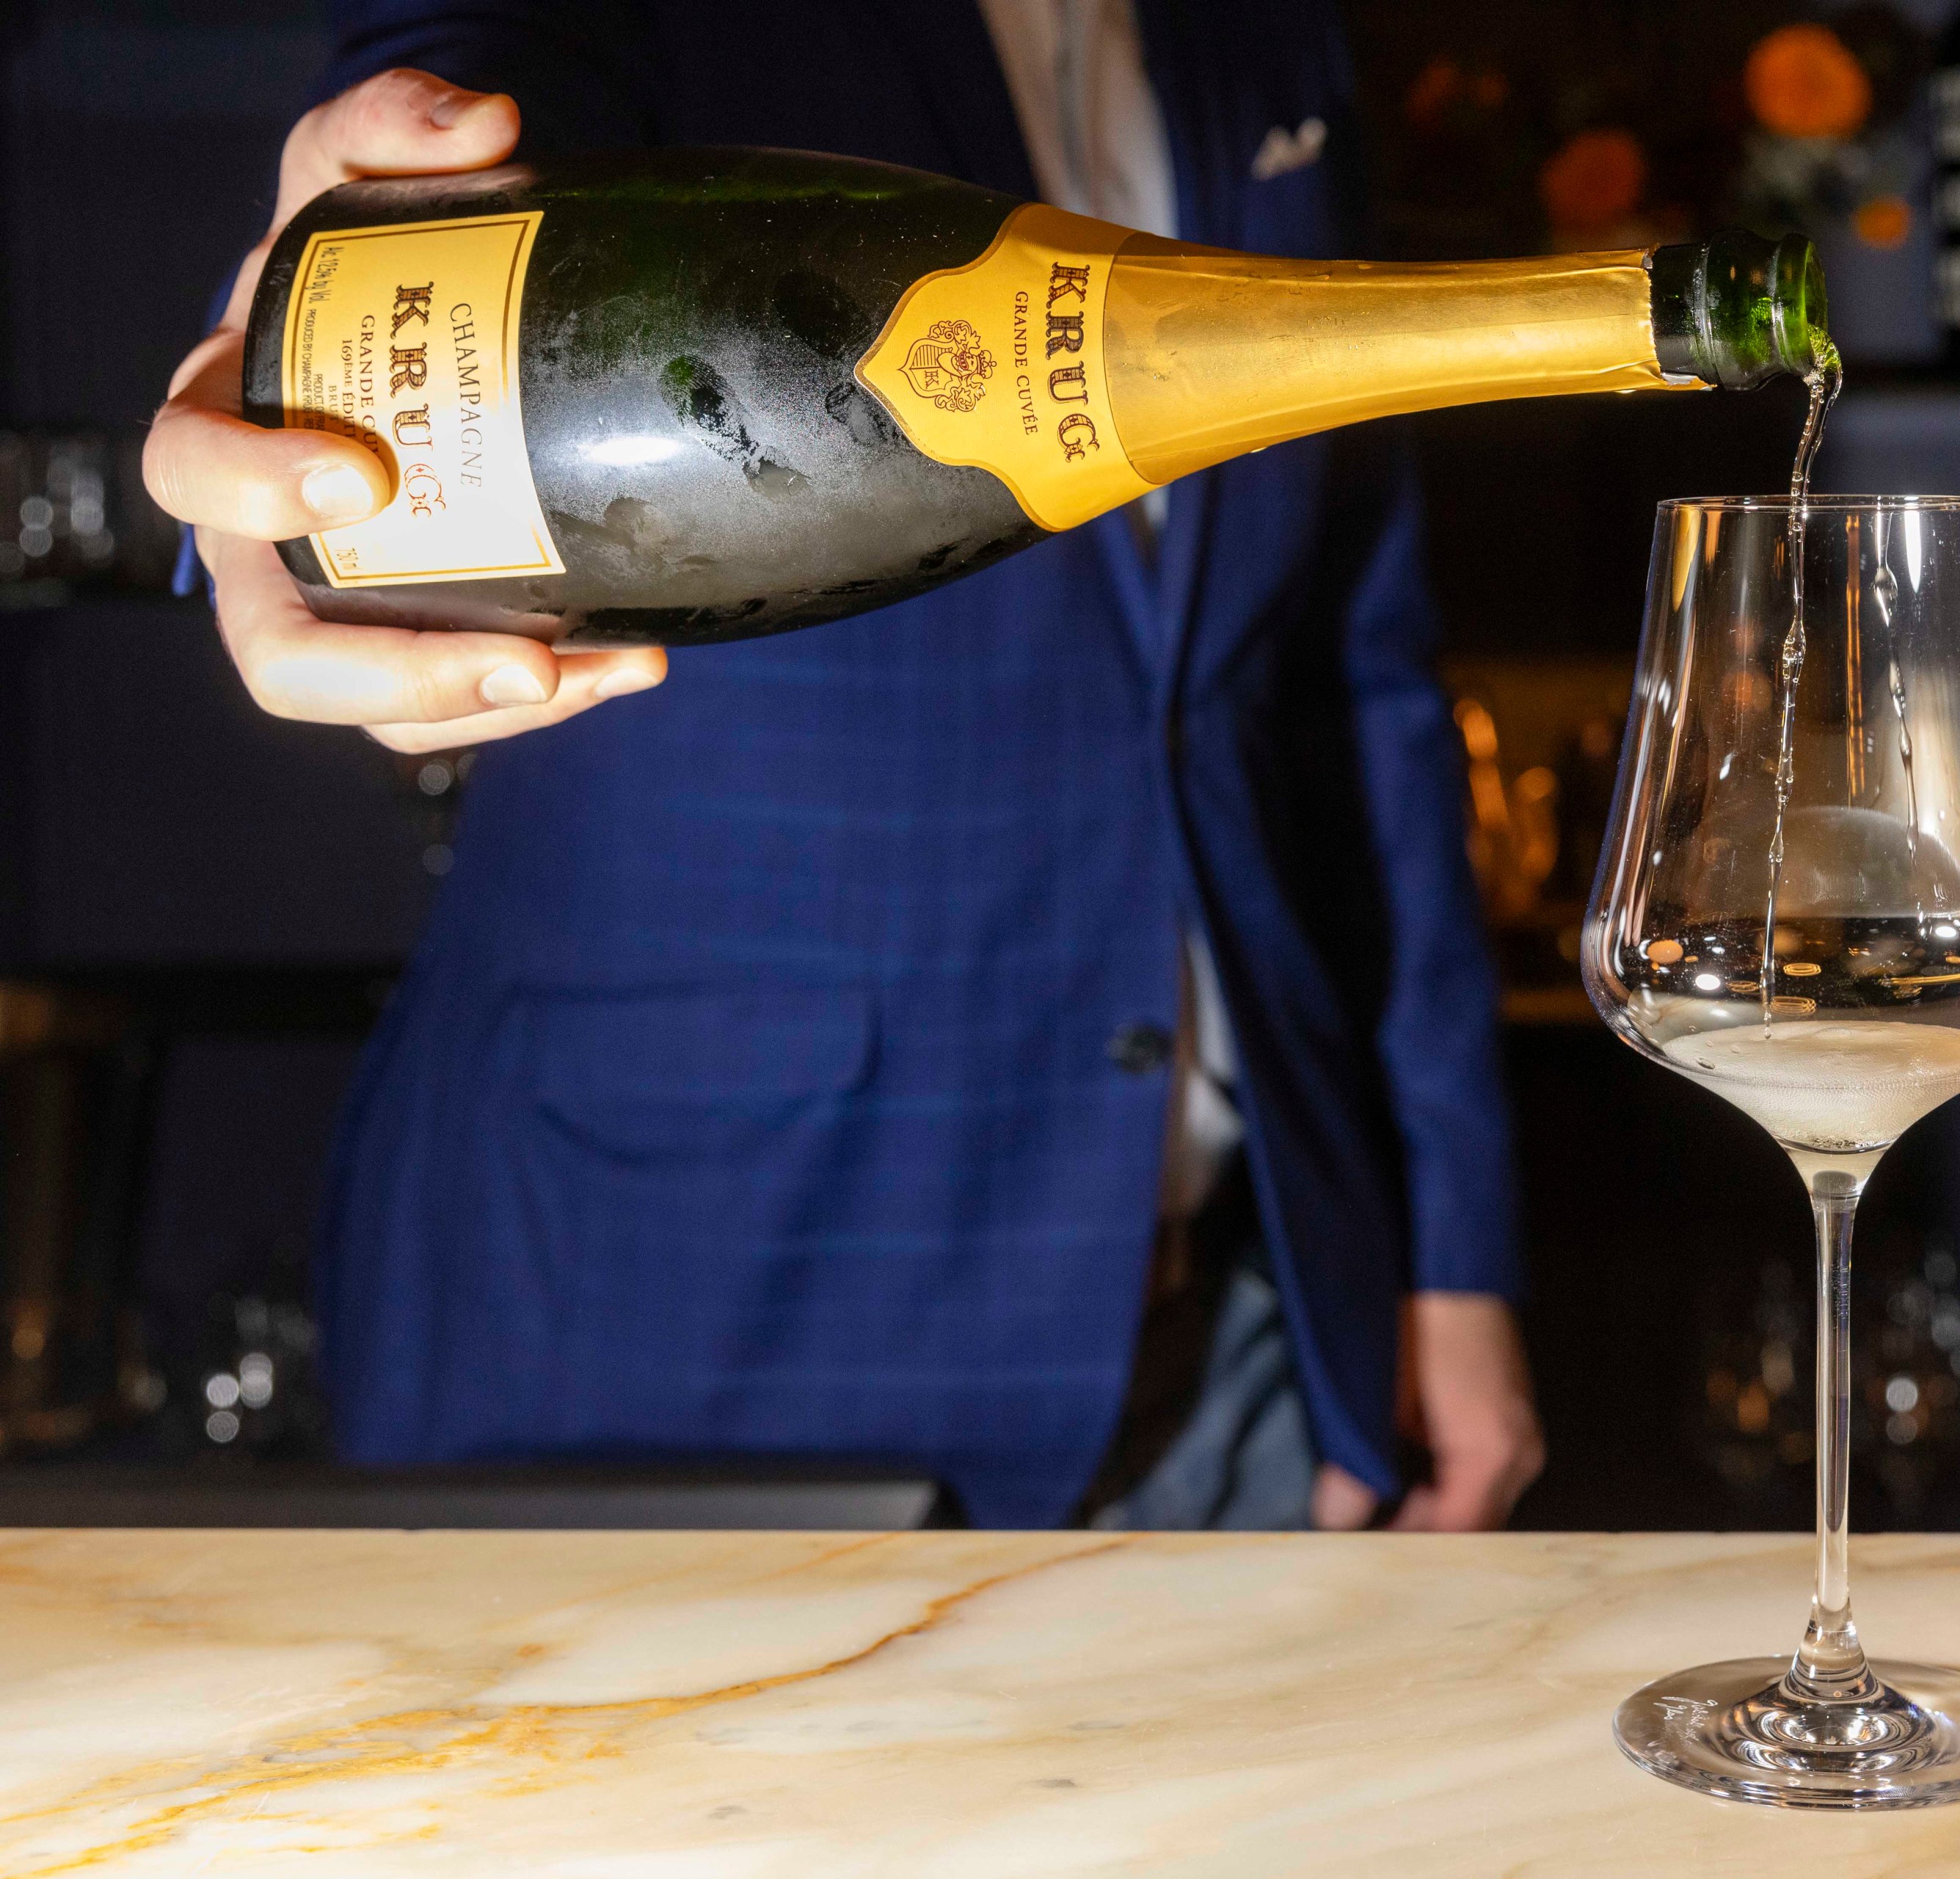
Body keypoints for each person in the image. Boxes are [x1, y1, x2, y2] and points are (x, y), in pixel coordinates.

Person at [139, 0, 1545, 1530]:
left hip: (1246, 1337)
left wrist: (1450, 1252)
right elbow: (444, 125)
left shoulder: (1268, 46)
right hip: (696, 1322)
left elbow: (1356, 677)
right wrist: (292, 391)